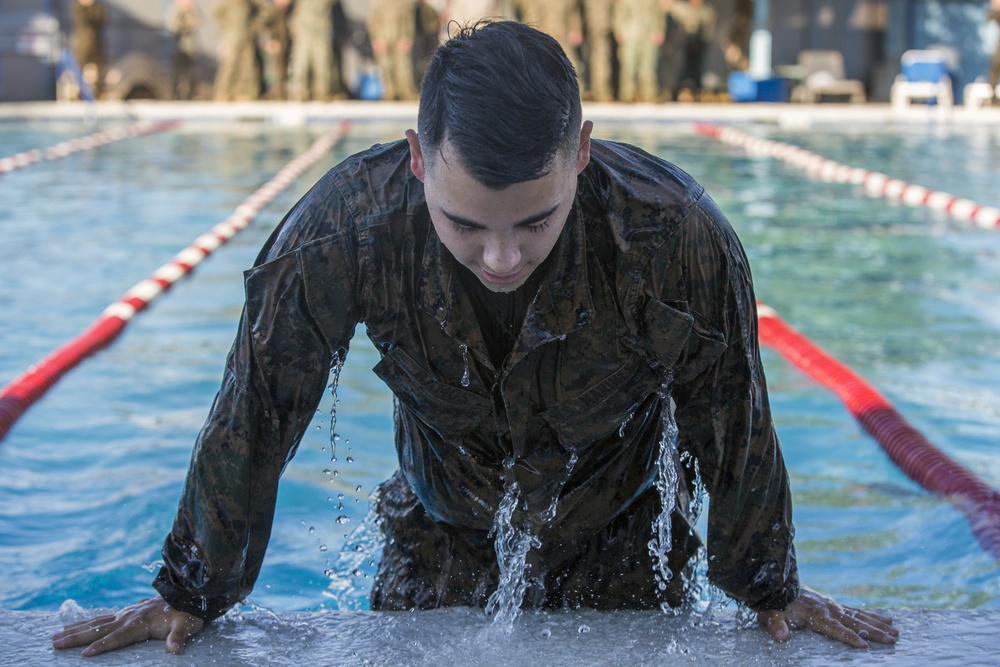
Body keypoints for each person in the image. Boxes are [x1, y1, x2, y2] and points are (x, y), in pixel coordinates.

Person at [51, 20, 898, 657]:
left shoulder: (671, 237)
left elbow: (734, 413)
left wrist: (769, 584)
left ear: (582, 156)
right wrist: (193, 589)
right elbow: (258, 404)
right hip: (437, 531)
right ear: (419, 160)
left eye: (535, 223)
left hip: (626, 538)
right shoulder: (348, 230)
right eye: (465, 223)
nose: (502, 256)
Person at [71, 0, 107, 98]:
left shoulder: (97, 7)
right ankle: (78, 93)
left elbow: (101, 19)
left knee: (97, 70)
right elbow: (82, 21)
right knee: (79, 69)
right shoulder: (77, 7)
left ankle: (97, 93)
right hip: (82, 45)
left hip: (96, 43)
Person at [167, 0, 201, 100]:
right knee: (177, 72)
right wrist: (184, 21)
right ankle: (175, 94)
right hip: (178, 48)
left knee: (191, 73)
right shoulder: (175, 10)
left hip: (190, 47)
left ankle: (191, 94)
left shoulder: (193, 10)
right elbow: (173, 27)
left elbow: (196, 23)